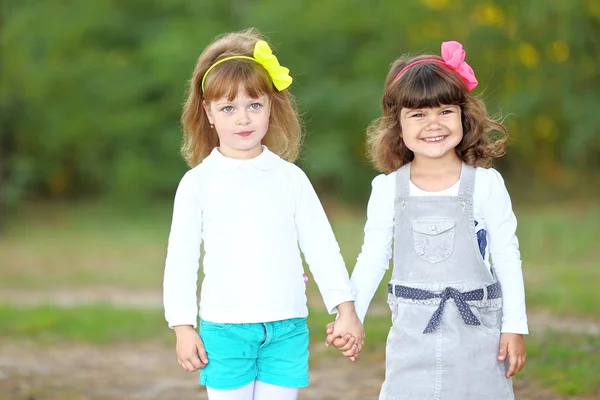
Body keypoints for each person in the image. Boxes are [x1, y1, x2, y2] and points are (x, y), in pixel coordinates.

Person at [163, 28, 364, 400]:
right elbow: (181, 261)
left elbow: (322, 247)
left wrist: (345, 308)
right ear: (208, 112)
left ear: (271, 106)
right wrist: (182, 326)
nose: (243, 119)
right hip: (224, 331)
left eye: (254, 105)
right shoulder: (198, 183)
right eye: (228, 108)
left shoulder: (291, 179)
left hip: (286, 328)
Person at [326, 41, 528, 399]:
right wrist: (350, 315)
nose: (433, 124)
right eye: (418, 115)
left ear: (463, 118)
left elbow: (507, 256)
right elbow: (373, 258)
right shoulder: (387, 189)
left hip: (478, 331)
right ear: (397, 126)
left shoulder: (485, 184)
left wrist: (515, 326)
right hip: (412, 335)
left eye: (445, 111)